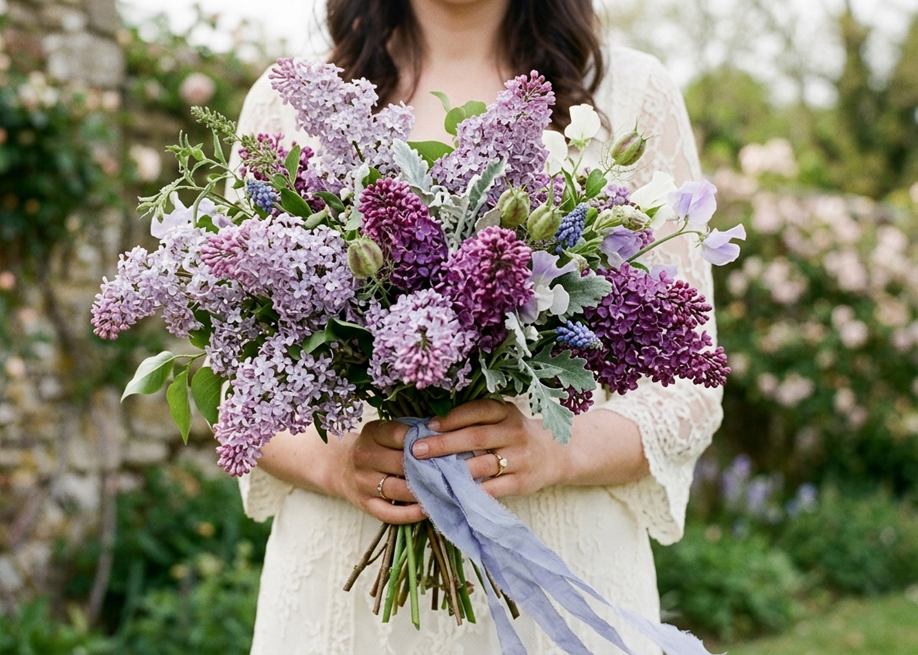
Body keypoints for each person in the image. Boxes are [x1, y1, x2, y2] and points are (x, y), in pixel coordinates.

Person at [231, 0, 723, 652]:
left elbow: (691, 382)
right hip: (344, 601)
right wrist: (334, 464)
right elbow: (233, 372)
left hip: (557, 583)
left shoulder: (631, 94)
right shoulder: (290, 102)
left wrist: (561, 449)